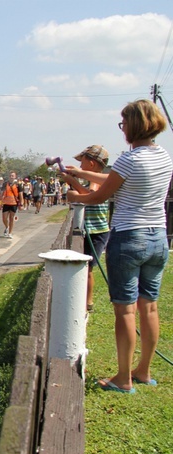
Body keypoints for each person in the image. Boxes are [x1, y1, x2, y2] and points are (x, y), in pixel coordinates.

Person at [66, 99, 172, 393]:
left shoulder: (129, 159)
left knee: (125, 311)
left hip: (129, 238)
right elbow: (116, 179)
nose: (122, 128)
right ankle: (143, 371)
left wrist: (75, 197)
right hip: (158, 238)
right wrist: (82, 173)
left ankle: (123, 378)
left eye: (123, 123)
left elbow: (100, 196)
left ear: (134, 125)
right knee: (149, 307)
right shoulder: (163, 156)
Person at [60, 145, 111, 313]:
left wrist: (73, 183)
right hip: (90, 230)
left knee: (87, 268)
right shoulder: (96, 179)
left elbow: (90, 196)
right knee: (86, 267)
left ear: (91, 164)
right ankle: (84, 300)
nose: (80, 166)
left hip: (96, 231)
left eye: (82, 162)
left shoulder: (96, 181)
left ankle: (87, 302)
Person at [0, 171, 21, 238]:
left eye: (13, 176)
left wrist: (21, 204)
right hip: (6, 202)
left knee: (11, 218)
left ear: (15, 177)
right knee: (4, 218)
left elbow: (20, 194)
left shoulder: (18, 184)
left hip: (14, 203)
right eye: (10, 175)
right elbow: (2, 193)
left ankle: (10, 233)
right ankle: (7, 227)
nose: (11, 177)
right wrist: (0, 202)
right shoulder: (5, 184)